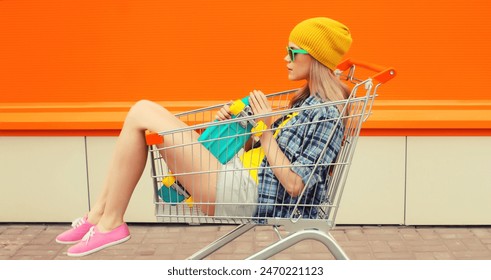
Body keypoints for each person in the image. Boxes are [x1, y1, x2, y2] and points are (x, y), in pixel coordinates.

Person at [55, 17, 353, 257]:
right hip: (239, 176)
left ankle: (108, 221)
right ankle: (99, 216)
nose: (284, 58)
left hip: (247, 193)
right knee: (140, 113)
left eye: (292, 51)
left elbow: (295, 184)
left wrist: (264, 129)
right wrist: (241, 125)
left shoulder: (327, 114)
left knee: (141, 111)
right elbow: (269, 150)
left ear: (314, 58)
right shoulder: (305, 102)